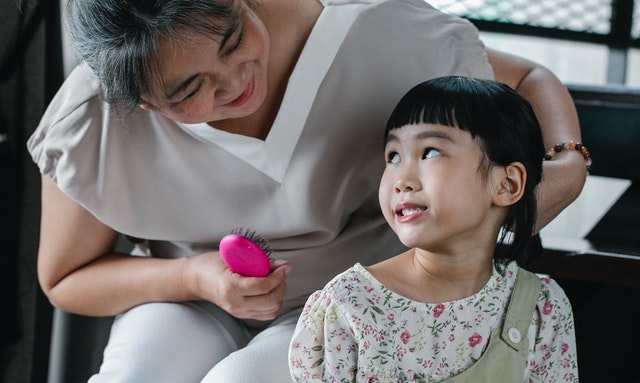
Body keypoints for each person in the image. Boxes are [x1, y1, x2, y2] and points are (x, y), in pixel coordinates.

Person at [27, 0, 585, 381]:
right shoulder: (96, 118)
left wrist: (567, 165)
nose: (235, 81)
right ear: (142, 104)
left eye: (232, 39)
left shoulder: (377, 34)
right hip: (194, 298)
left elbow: (527, 78)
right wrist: (192, 276)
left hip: (359, 295)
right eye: (191, 89)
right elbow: (66, 278)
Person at [288, 76, 579, 382]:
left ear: (507, 184)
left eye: (429, 152)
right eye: (393, 156)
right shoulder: (350, 303)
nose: (402, 179)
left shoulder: (541, 308)